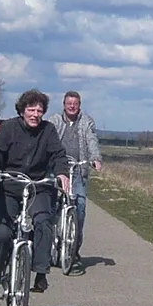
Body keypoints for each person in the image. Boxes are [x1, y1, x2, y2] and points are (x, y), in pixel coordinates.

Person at [0, 90, 70, 302]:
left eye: (40, 110)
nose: (35, 114)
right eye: (31, 109)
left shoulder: (48, 130)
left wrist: (61, 173)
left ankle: (40, 273)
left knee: (43, 221)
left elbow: (58, 154)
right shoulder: (9, 128)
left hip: (37, 187)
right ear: (22, 110)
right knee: (3, 234)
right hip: (9, 187)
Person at [55, 90, 101, 273]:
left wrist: (95, 158)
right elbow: (47, 139)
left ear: (79, 105)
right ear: (64, 105)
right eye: (69, 103)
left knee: (79, 206)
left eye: (75, 103)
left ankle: (73, 250)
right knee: (48, 205)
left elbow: (92, 141)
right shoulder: (55, 121)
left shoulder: (86, 122)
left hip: (77, 170)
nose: (72, 106)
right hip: (57, 169)